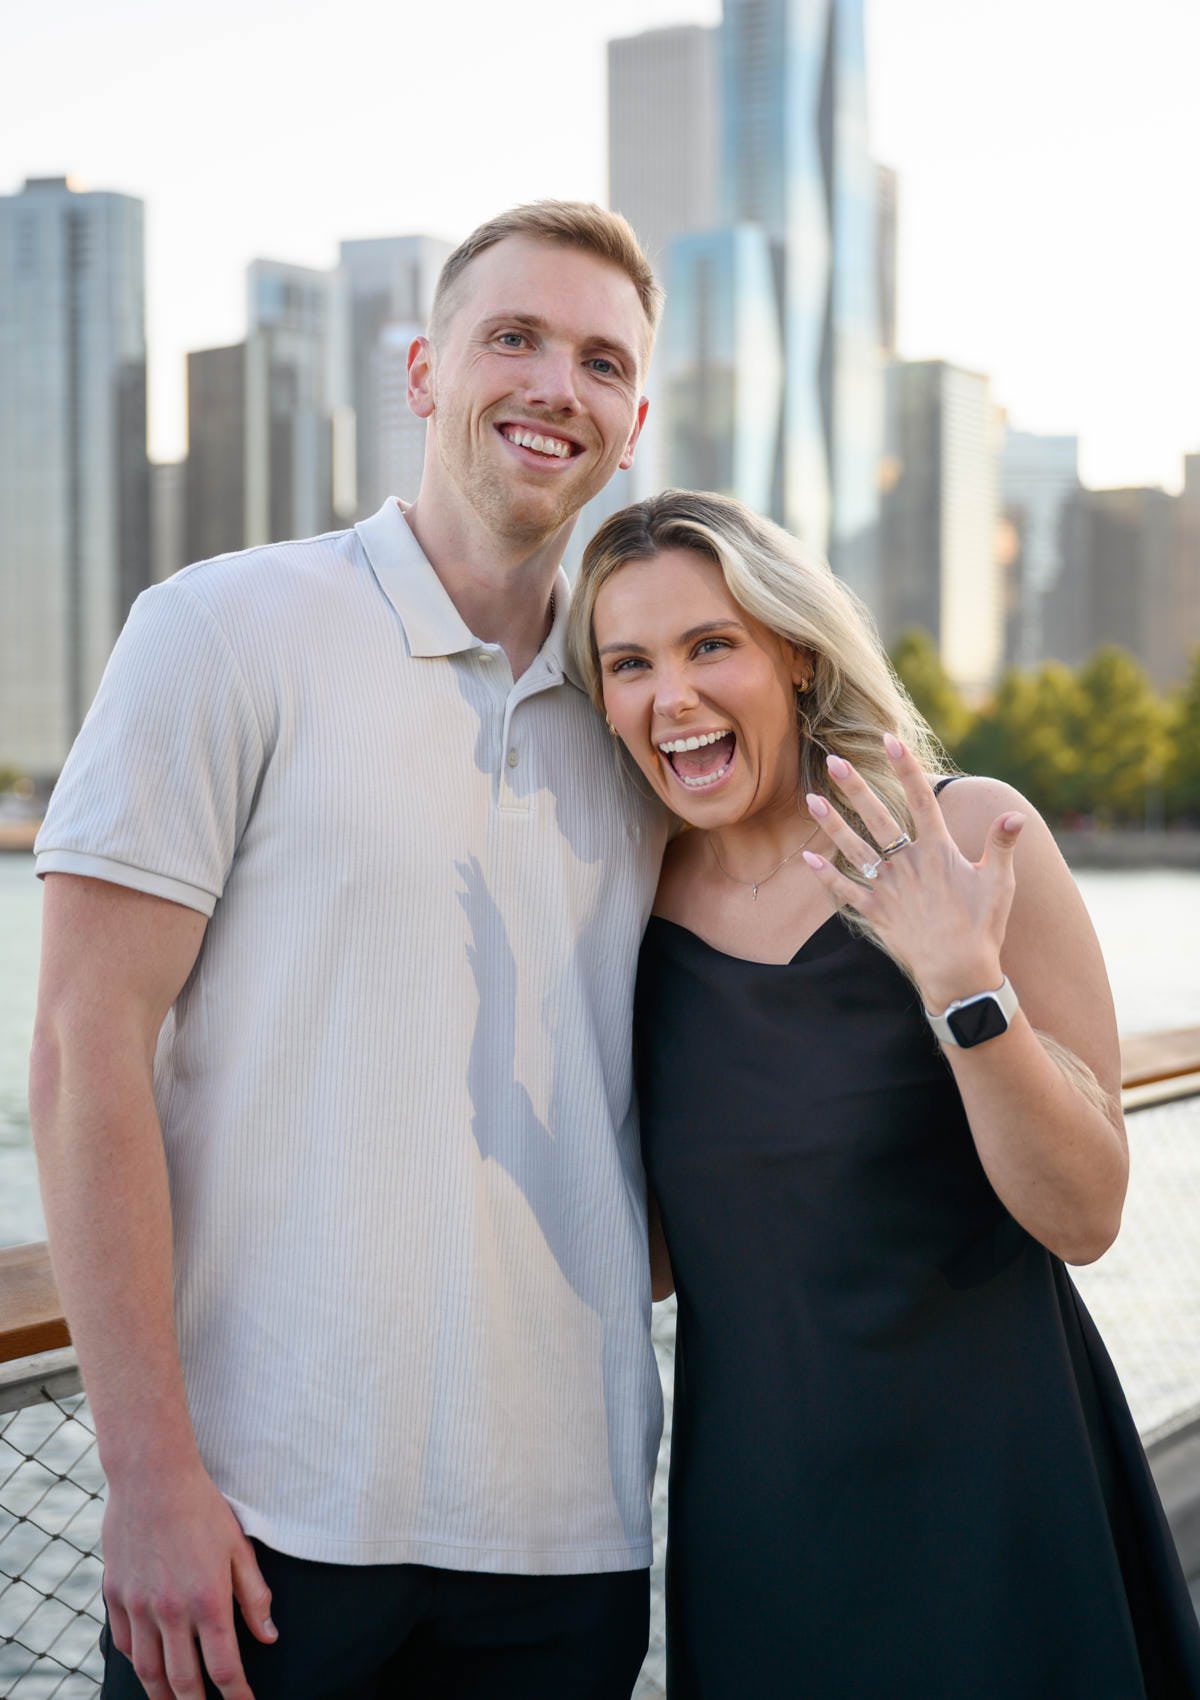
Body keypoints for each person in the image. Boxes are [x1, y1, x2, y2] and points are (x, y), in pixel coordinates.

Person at [29, 202, 671, 1700]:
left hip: (570, 1544)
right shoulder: (221, 628)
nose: (552, 385)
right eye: (511, 336)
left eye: (597, 359)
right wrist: (148, 1480)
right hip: (255, 1530)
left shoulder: (646, 709)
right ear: (423, 372)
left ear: (632, 423)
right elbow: (79, 1053)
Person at [569, 488, 1200, 1698]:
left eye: (713, 644)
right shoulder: (620, 920)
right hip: (762, 1540)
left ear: (795, 652)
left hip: (1006, 1507)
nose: (673, 696)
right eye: (629, 662)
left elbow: (1087, 1211)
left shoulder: (968, 836)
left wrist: (964, 985)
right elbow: (647, 1256)